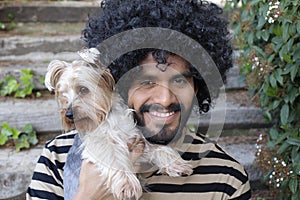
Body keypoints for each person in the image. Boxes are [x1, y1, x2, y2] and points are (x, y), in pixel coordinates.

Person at [26, 0, 251, 199]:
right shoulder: (56, 160)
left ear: (198, 86)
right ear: (116, 83)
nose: (164, 99)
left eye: (180, 81)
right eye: (147, 82)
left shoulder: (226, 179)